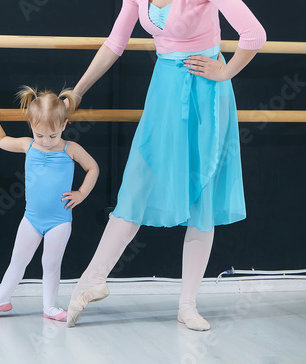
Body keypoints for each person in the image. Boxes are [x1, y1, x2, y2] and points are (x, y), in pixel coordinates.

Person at [66, 0, 266, 330]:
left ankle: (187, 304)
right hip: (164, 90)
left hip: (205, 92)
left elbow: (255, 34)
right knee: (137, 183)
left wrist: (225, 71)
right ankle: (90, 282)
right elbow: (115, 43)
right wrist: (77, 92)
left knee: (202, 196)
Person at [0, 86, 99, 322]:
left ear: (64, 125)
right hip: (31, 218)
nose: (46, 141)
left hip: (59, 220)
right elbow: (0, 139)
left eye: (52, 135)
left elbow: (92, 168)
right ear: (31, 125)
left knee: (50, 263)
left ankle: (50, 306)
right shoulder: (28, 145)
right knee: (18, 260)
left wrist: (81, 193)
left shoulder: (70, 149)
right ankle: (1, 299)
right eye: (39, 134)